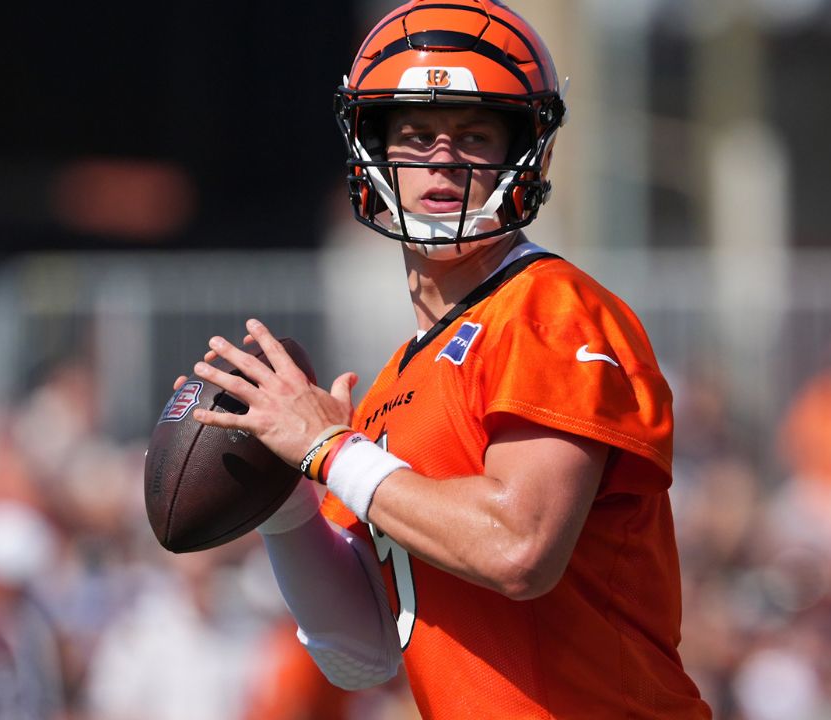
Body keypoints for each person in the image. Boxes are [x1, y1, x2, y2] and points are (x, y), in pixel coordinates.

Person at [176, 1, 710, 716]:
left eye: (474, 134)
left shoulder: (549, 307)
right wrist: (288, 499)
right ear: (371, 150)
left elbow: (518, 547)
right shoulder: (394, 381)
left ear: (528, 151)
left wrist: (332, 449)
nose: (442, 159)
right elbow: (360, 654)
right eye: (417, 134)